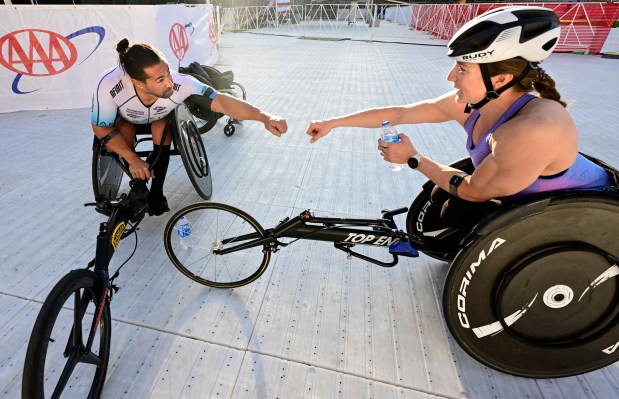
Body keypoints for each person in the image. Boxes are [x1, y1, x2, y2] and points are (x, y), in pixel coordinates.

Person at [306, 6, 613, 230]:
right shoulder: (468, 104)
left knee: (457, 210)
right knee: (442, 196)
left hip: (580, 214)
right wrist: (333, 123)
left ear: (502, 79)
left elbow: (472, 190)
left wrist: (412, 158)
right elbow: (399, 113)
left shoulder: (532, 129)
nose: (451, 76)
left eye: (463, 69)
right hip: (521, 191)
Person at [92, 38, 288, 216]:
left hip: (160, 119)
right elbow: (101, 128)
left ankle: (156, 192)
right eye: (160, 80)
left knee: (163, 125)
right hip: (127, 121)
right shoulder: (109, 83)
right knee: (122, 126)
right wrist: (133, 159)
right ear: (137, 82)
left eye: (167, 72)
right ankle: (139, 186)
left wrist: (263, 117)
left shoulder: (181, 83)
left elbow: (222, 101)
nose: (169, 82)